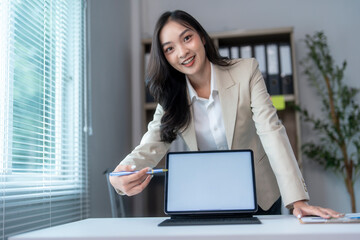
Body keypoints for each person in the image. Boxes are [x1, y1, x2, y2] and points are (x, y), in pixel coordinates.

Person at [110, 10, 341, 219]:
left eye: (187, 38)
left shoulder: (246, 71)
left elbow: (272, 132)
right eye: (170, 48)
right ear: (165, 58)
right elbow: (151, 145)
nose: (182, 52)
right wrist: (118, 177)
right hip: (209, 196)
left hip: (260, 192)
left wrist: (297, 200)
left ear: (201, 36)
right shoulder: (171, 97)